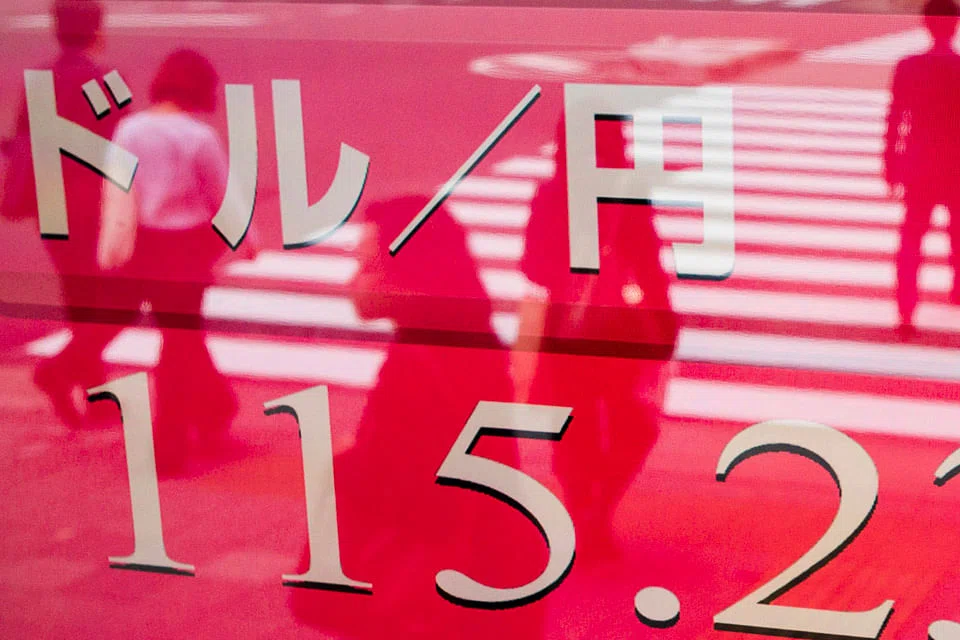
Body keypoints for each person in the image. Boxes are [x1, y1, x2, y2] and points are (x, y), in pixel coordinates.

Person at [3, 0, 117, 427]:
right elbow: (119, 138)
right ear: (97, 30)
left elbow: (22, 138)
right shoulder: (103, 79)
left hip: (49, 201)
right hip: (91, 200)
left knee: (78, 295)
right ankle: (66, 376)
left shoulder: (39, 79)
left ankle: (94, 396)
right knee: (106, 299)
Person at [885, 0, 960, 337]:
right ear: (955, 25)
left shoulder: (909, 66)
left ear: (926, 24)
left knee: (912, 237)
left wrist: (890, 163)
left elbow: (895, 118)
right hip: (956, 164)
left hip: (919, 164)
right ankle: (958, 287)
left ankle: (906, 309)